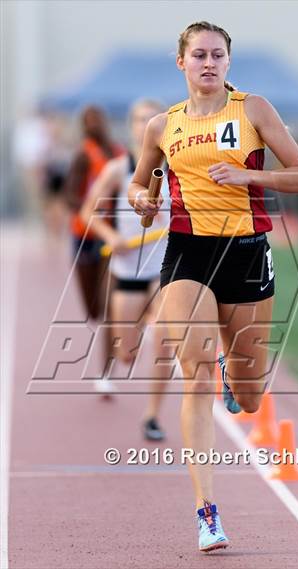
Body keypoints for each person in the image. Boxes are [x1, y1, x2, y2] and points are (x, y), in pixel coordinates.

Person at [128, 21, 298, 552]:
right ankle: (206, 512)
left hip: (248, 251)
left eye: (217, 55)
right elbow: (140, 184)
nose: (208, 64)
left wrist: (249, 178)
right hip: (188, 252)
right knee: (195, 377)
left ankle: (239, 375)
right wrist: (141, 198)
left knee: (252, 399)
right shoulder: (163, 126)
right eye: (198, 56)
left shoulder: (253, 110)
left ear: (228, 62)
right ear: (181, 62)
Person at [81, 99, 170, 439]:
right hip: (129, 265)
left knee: (163, 339)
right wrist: (111, 235)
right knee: (126, 352)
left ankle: (152, 417)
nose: (144, 124)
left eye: (151, 118)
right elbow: (88, 211)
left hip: (166, 264)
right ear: (132, 126)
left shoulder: (178, 168)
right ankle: (142, 337)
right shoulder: (119, 169)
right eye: (138, 119)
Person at [65, 106, 124, 377]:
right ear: (84, 126)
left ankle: (106, 371)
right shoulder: (82, 155)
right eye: (89, 122)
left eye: (98, 119)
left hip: (109, 236)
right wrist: (91, 206)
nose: (95, 125)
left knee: (110, 304)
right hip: (83, 235)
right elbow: (70, 196)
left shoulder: (119, 153)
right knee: (93, 310)